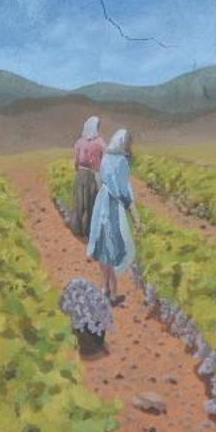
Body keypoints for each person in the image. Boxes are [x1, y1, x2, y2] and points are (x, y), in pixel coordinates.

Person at [86, 127, 140, 303]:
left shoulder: (106, 157)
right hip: (113, 206)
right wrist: (136, 218)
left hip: (102, 202)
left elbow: (100, 179)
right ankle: (114, 292)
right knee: (113, 246)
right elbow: (124, 191)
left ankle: (105, 287)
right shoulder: (122, 161)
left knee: (103, 245)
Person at [70, 116, 105, 239]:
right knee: (91, 204)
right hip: (92, 175)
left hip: (80, 174)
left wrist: (79, 171)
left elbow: (76, 161)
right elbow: (102, 162)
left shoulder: (79, 142)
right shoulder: (100, 143)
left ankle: (76, 228)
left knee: (79, 202)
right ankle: (89, 231)